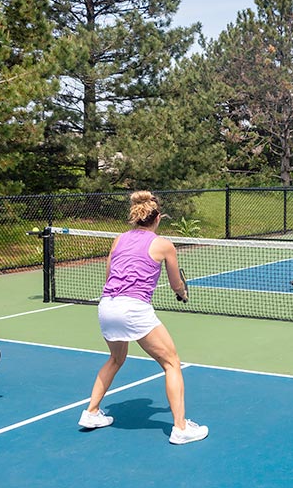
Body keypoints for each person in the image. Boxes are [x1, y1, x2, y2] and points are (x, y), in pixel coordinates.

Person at [78, 190, 208, 445]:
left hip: (107, 305)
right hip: (133, 309)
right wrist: (182, 292)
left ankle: (91, 412)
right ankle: (181, 428)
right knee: (172, 364)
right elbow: (175, 283)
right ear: (157, 217)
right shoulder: (163, 244)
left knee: (116, 358)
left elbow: (109, 276)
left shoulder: (118, 240)